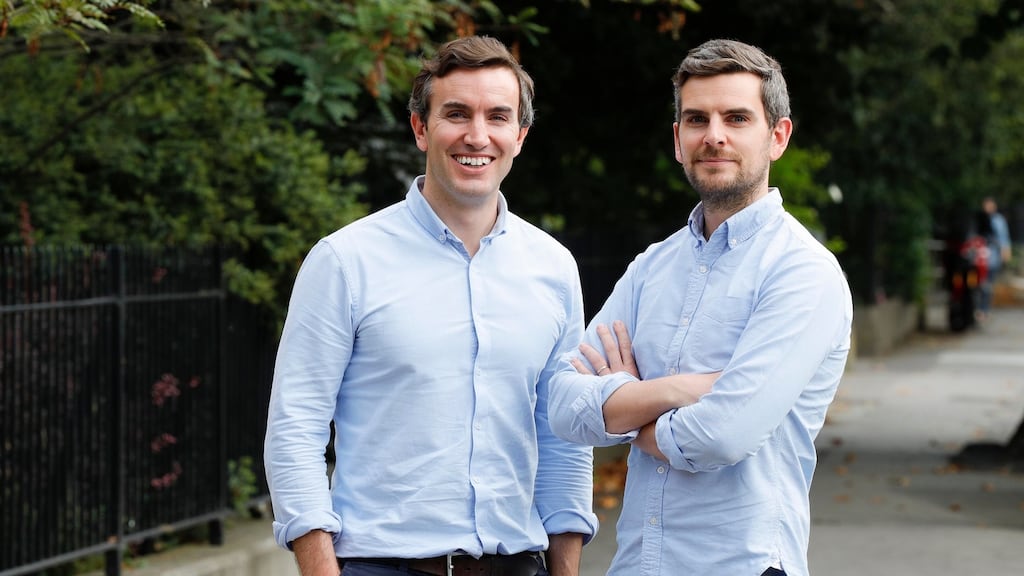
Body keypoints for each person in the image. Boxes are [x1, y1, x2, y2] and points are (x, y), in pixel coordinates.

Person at [264, 35, 597, 576]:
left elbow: (562, 435)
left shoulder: (554, 268)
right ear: (421, 128)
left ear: (520, 135)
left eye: (498, 117)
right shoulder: (345, 262)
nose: (477, 135)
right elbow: (294, 429)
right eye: (457, 113)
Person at [547, 39, 853, 576]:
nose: (714, 135)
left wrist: (626, 409)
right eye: (696, 119)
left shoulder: (802, 272)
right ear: (677, 139)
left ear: (777, 137)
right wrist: (677, 391)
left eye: (736, 118)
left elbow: (722, 435)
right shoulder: (652, 267)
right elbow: (563, 405)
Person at [975, 196, 1012, 321]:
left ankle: (984, 309)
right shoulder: (979, 220)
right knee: (980, 284)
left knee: (988, 285)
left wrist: (1005, 252)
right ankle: (979, 308)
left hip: (992, 258)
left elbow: (1004, 238)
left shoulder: (998, 220)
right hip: (979, 258)